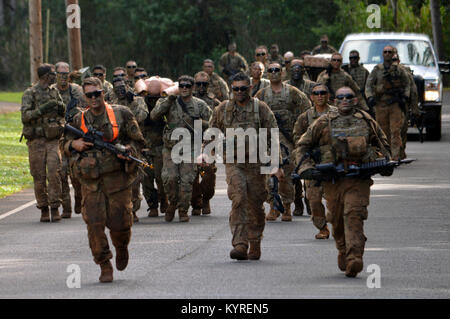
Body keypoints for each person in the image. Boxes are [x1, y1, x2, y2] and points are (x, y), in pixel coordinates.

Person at [295, 86, 392, 277]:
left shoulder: (365, 120)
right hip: (333, 180)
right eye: (341, 97)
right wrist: (306, 167)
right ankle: (342, 248)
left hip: (358, 179)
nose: (345, 100)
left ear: (355, 100)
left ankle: (354, 257)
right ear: (335, 100)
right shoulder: (323, 122)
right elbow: (303, 146)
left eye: (349, 97)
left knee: (354, 214)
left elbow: (382, 144)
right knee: (337, 220)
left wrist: (384, 162)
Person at [64, 77, 146, 283]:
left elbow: (138, 143)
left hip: (117, 181)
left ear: (103, 93)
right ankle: (104, 263)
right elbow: (63, 143)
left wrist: (128, 151)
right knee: (94, 225)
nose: (94, 98)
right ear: (85, 96)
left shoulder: (121, 114)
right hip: (90, 183)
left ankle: (121, 247)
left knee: (120, 225)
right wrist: (74, 145)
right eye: (89, 95)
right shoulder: (78, 120)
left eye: (97, 94)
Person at [209, 72, 284, 260]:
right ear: (231, 88)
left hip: (257, 165)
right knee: (239, 199)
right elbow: (212, 132)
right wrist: (207, 152)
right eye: (236, 89)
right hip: (234, 163)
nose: (239, 92)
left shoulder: (261, 108)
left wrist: (277, 164)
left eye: (243, 88)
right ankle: (240, 244)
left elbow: (273, 136)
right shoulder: (223, 109)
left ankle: (255, 240)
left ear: (250, 88)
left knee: (255, 205)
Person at [150, 75, 212, 222]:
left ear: (193, 88)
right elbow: (154, 116)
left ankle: (183, 210)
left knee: (187, 180)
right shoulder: (169, 102)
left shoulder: (200, 105)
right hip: (171, 147)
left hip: (191, 147)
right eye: (182, 86)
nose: (184, 88)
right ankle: (173, 202)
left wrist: (199, 123)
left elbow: (212, 123)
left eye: (188, 86)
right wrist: (168, 100)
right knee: (169, 178)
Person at [255, 62, 312, 222]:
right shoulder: (262, 94)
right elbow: (253, 115)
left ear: (282, 73)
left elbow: (306, 111)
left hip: (288, 142)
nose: (274, 72)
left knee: (285, 176)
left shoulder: (293, 93)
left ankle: (286, 206)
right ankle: (274, 206)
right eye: (271, 70)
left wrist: (300, 135)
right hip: (268, 140)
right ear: (267, 73)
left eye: (277, 70)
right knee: (267, 175)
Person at [21, 63, 65, 222]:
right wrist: (43, 108)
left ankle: (55, 207)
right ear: (46, 76)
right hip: (36, 141)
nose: (55, 76)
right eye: (53, 73)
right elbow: (25, 116)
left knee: (54, 172)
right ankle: (44, 208)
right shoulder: (30, 93)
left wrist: (59, 105)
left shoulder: (54, 92)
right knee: (39, 175)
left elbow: (62, 111)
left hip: (52, 139)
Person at [293, 83, 336, 238]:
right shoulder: (305, 117)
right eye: (316, 93)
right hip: (313, 163)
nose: (320, 96)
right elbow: (297, 138)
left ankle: (338, 224)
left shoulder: (336, 114)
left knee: (334, 199)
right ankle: (322, 227)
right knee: (314, 199)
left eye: (323, 92)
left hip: (333, 162)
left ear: (328, 95)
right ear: (311, 97)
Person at [51, 61, 86, 218]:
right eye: (60, 74)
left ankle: (79, 198)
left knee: (77, 174)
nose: (63, 77)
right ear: (56, 75)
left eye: (66, 74)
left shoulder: (77, 91)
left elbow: (87, 110)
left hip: (74, 138)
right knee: (61, 173)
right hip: (57, 138)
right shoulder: (51, 91)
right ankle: (66, 207)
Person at [111, 78, 149, 222]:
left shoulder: (137, 101)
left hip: (133, 145)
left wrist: (131, 102)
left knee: (135, 180)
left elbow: (142, 117)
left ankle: (132, 210)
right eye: (117, 88)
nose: (120, 90)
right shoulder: (111, 104)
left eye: (122, 87)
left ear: (128, 87)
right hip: (115, 145)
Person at [365, 45, 411, 160]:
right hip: (381, 104)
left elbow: (407, 84)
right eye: (385, 52)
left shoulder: (399, 70)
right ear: (382, 54)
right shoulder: (377, 69)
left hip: (395, 104)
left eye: (389, 52)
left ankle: (395, 157)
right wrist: (370, 97)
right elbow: (368, 85)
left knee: (395, 131)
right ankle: (386, 155)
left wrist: (405, 96)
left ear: (393, 54)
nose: (387, 54)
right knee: (383, 131)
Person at [135, 78, 168, 217]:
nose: (153, 100)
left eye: (156, 97)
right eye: (151, 97)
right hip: (145, 148)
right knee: (146, 179)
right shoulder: (141, 105)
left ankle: (163, 199)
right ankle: (152, 205)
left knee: (161, 178)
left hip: (160, 148)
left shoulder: (164, 106)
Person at [190, 71, 219, 215]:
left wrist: (202, 123)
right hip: (189, 143)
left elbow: (218, 123)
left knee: (208, 174)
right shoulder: (188, 100)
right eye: (198, 84)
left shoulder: (214, 102)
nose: (201, 87)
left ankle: (206, 198)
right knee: (191, 175)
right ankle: (196, 203)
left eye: (204, 84)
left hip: (208, 143)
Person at [392, 53, 420, 159]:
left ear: (399, 61)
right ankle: (393, 153)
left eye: (395, 59)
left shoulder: (405, 73)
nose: (393, 61)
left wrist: (415, 109)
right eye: (392, 59)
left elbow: (413, 91)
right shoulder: (382, 71)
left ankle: (400, 151)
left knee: (402, 130)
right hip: (386, 106)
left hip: (402, 106)